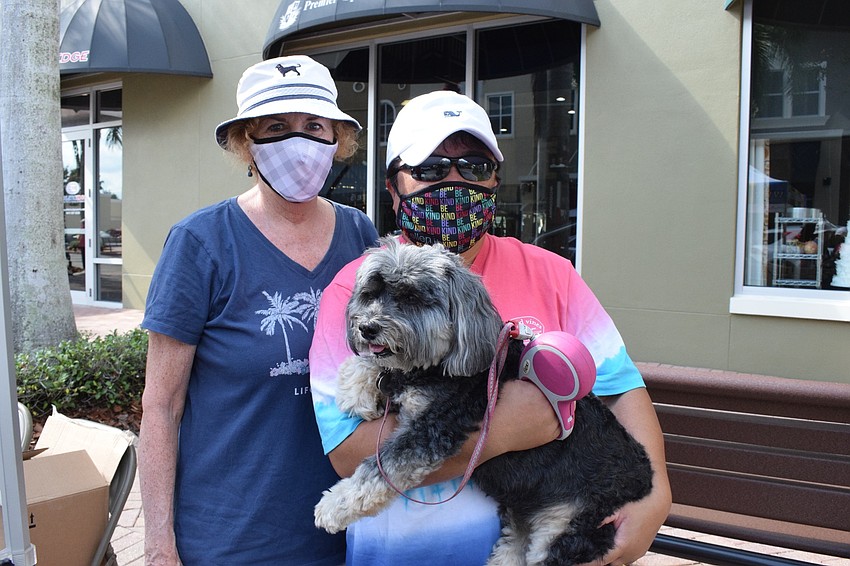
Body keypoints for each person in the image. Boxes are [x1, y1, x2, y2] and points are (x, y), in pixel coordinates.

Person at [309, 90, 672, 566]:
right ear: (394, 188)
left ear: (496, 180)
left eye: (475, 167)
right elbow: (346, 454)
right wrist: (507, 428)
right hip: (407, 554)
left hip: (545, 533)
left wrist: (655, 496)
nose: (454, 182)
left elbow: (621, 389)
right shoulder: (359, 289)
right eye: (432, 169)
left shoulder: (551, 273)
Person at [138, 55, 379, 565]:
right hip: (232, 539)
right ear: (247, 141)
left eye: (314, 126)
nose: (300, 141)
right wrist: (159, 546)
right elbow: (161, 405)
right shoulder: (201, 243)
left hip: (348, 532)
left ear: (338, 138)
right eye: (277, 127)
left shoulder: (361, 235)